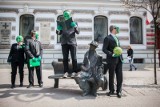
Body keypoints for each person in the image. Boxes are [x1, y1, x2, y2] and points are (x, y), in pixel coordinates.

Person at [56, 10, 79, 78]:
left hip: (72, 42)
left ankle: (75, 72)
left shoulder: (74, 22)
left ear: (70, 15)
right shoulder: (62, 23)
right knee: (65, 58)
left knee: (74, 58)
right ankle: (66, 72)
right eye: (65, 15)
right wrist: (58, 30)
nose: (66, 16)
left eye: (67, 15)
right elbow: (59, 33)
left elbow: (78, 32)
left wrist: (75, 27)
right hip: (64, 42)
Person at [102, 25, 123, 98]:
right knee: (112, 75)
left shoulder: (117, 38)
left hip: (119, 59)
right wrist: (111, 54)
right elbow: (104, 49)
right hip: (111, 59)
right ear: (112, 29)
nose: (117, 29)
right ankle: (111, 90)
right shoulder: (107, 38)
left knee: (120, 76)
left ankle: (119, 91)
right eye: (116, 28)